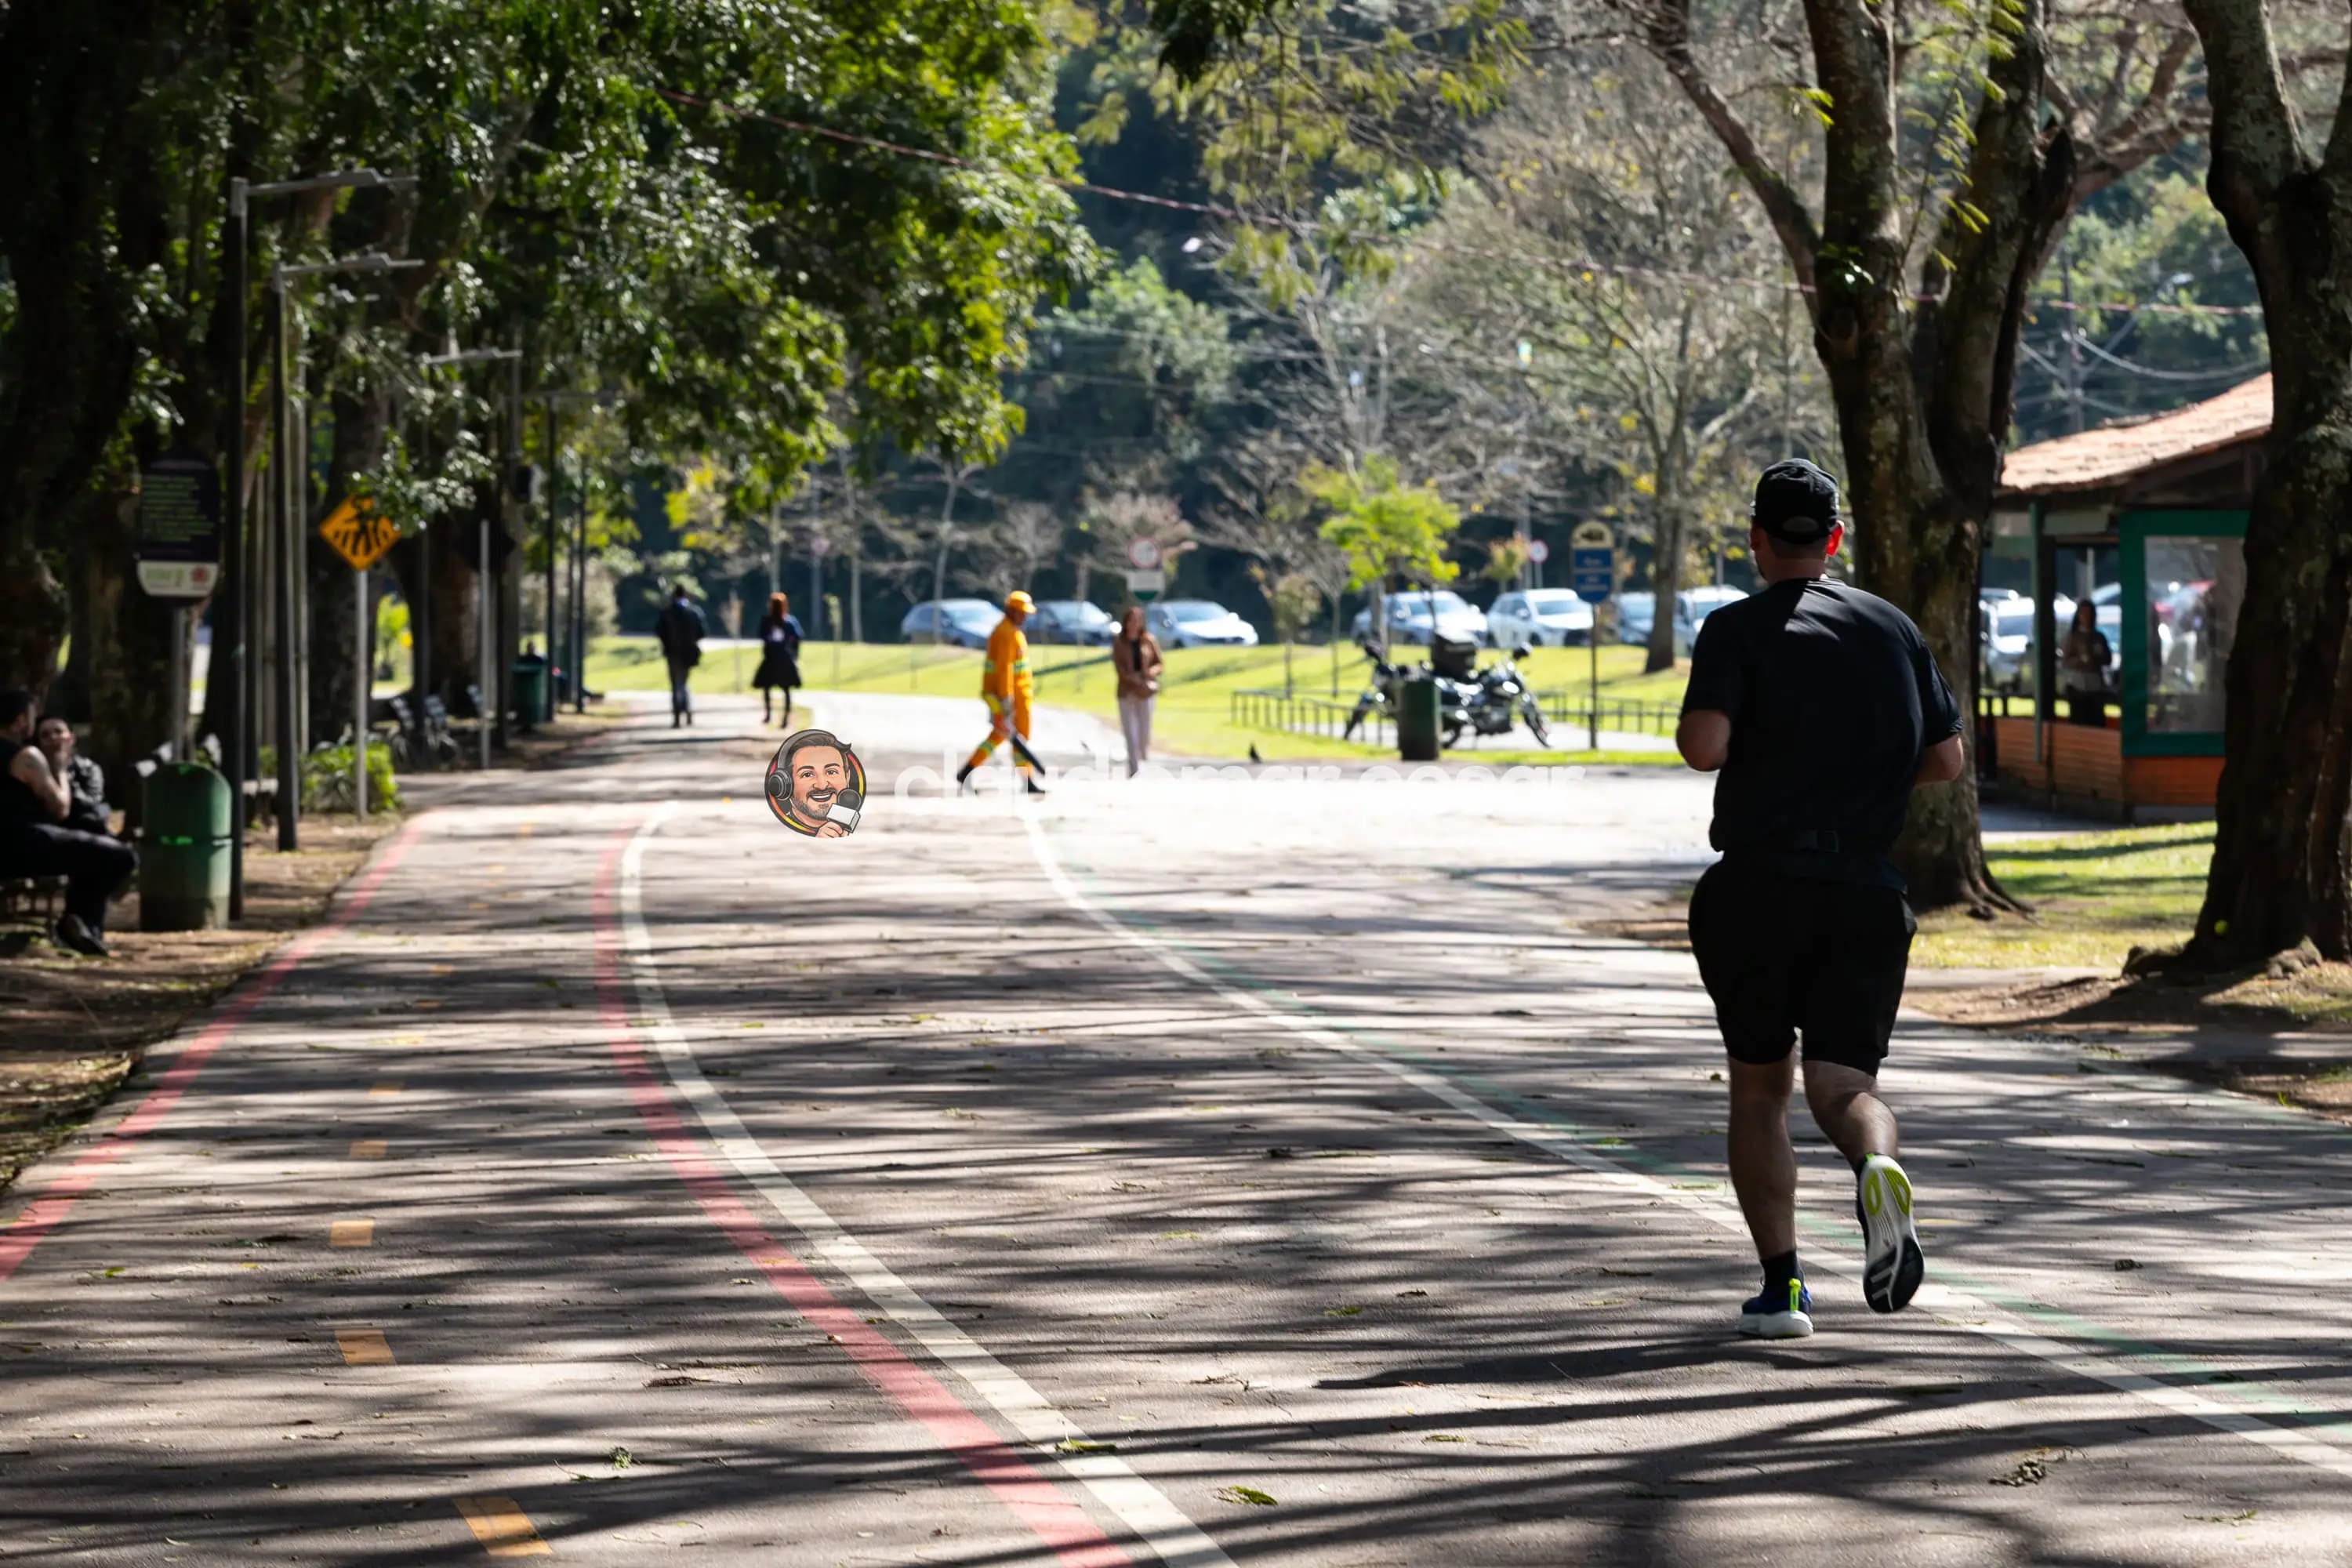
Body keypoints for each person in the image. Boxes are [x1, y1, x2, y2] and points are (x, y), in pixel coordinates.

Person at [1675, 459, 1966, 1341]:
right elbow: (1947, 760)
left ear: (1758, 540)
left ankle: (1785, 1290)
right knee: (1844, 1083)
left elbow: (1703, 746)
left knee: (1761, 1088)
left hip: (1760, 887)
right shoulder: (1893, 627)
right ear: (1835, 539)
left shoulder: (1735, 628)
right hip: (1867, 892)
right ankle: (1877, 1164)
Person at [0, 691, 137, 957]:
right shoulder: (26, 757)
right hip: (25, 844)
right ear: (19, 721)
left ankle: (83, 927)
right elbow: (60, 807)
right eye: (31, 717)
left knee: (89, 855)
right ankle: (76, 922)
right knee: (120, 856)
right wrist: (61, 768)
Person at [956, 590, 1047, 794]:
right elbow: (1004, 670)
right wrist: (1006, 701)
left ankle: (967, 772)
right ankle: (1026, 781)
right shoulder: (1006, 634)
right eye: (1022, 613)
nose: (1025, 617)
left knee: (999, 737)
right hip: (1012, 698)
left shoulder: (1008, 631)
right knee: (1016, 737)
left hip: (1014, 696)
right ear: (1012, 611)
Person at [34, 717, 116, 837]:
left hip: (84, 832)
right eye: (45, 735)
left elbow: (91, 806)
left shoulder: (89, 769)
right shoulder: (34, 772)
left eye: (58, 732)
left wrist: (66, 777)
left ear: (71, 739)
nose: (53, 738)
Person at [1111, 604, 1163, 778]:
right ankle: (1134, 767)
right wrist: (1132, 678)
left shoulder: (1148, 640)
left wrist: (1149, 674)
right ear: (1126, 623)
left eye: (1137, 621)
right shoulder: (1119, 643)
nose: (1134, 624)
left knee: (1144, 731)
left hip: (1146, 691)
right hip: (1127, 691)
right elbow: (1119, 668)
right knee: (1130, 731)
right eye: (1131, 621)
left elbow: (1159, 663)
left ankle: (1142, 755)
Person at [654, 583, 706, 728]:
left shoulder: (667, 613)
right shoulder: (694, 612)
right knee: (683, 682)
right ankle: (687, 709)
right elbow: (702, 632)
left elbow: (659, 631)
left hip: (673, 652)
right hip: (689, 653)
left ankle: (678, 714)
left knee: (676, 684)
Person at [753, 592, 804, 728]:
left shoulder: (769, 621)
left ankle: (769, 714)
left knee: (767, 687)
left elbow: (761, 636)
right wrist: (794, 653)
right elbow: (797, 638)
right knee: (786, 689)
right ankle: (785, 718)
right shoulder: (789, 621)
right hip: (784, 658)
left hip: (771, 657)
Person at [2058, 600, 2112, 728]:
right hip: (2079, 688)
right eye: (2084, 614)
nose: (2087, 617)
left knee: (2097, 723)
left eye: (2090, 614)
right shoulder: (2072, 637)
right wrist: (2082, 661)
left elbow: (2107, 659)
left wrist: (2096, 659)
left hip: (2096, 688)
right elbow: (2065, 662)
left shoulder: (2099, 637)